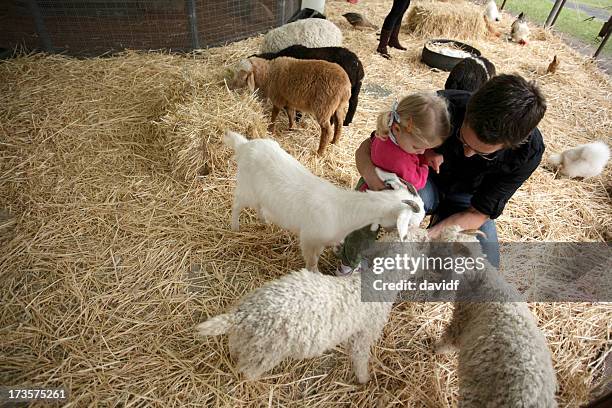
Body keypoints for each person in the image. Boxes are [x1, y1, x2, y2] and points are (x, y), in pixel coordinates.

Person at [337, 74, 547, 275]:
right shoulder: (443, 106)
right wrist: (370, 176)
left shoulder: (528, 153)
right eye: (462, 139)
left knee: (486, 267)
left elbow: (479, 213)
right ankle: (350, 255)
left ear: (511, 145)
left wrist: (425, 238)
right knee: (376, 196)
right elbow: (372, 144)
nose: (467, 153)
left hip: (468, 201)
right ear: (469, 109)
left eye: (482, 153)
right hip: (425, 182)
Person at [337, 92, 451, 275]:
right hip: (374, 201)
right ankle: (347, 267)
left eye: (426, 149)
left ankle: (348, 252)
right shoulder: (399, 160)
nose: (422, 151)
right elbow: (418, 181)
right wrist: (424, 163)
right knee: (364, 234)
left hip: (368, 190)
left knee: (359, 229)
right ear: (399, 129)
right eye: (418, 147)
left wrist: (420, 152)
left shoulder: (386, 134)